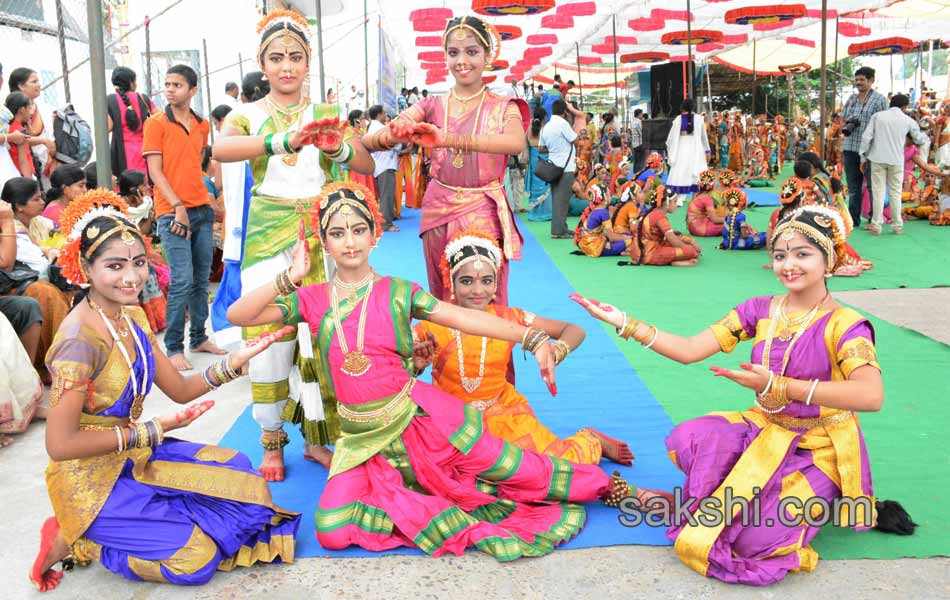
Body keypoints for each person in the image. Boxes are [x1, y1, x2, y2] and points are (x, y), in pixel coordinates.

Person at [227, 180, 651, 560]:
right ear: (323, 240)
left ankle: (607, 488)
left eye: (358, 230)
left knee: (514, 467)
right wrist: (290, 276)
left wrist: (533, 338)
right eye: (337, 233)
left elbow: (464, 317)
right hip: (361, 443)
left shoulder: (399, 293)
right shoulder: (312, 298)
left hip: (422, 422)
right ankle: (425, 507)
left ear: (376, 235)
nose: (350, 242)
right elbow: (239, 314)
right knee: (332, 532)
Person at [572, 203, 916, 585]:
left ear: (829, 260)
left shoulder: (847, 325)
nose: (789, 265)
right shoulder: (760, 310)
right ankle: (706, 502)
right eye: (781, 254)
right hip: (766, 429)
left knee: (753, 540)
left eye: (803, 254)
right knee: (693, 438)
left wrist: (779, 386)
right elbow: (690, 349)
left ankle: (827, 496)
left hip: (820, 446)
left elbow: (871, 396)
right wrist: (623, 322)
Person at [29, 189, 300, 592]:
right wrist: (153, 430)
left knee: (243, 478)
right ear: (85, 268)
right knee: (196, 560)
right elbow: (60, 444)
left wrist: (236, 361)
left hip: (133, 457)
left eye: (138, 263)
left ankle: (139, 519)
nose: (131, 277)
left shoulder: (131, 314)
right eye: (115, 266)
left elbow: (181, 389)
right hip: (88, 480)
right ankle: (80, 538)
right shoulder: (78, 341)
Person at [212, 9, 375, 479]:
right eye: (277, 58)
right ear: (263, 64)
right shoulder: (246, 114)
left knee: (326, 335)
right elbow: (221, 151)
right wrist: (281, 139)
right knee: (270, 339)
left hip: (324, 228)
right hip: (269, 232)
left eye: (296, 57)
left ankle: (318, 437)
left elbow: (363, 162)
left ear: (308, 62)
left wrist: (334, 148)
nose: (287, 66)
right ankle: (271, 441)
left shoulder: (325, 114)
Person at [411, 230, 632, 464]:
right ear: (451, 283)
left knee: (547, 468)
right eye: (467, 281)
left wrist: (558, 350)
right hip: (450, 421)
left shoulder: (510, 319)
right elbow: (391, 367)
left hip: (504, 414)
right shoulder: (432, 324)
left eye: (486, 281)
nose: (478, 291)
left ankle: (589, 441)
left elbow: (574, 330)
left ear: (496, 285)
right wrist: (415, 366)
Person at [370, 15, 528, 304]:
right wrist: (398, 127)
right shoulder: (433, 103)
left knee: (482, 294)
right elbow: (403, 121)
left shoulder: (503, 106)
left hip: (483, 205)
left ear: (487, 55)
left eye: (472, 52)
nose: (462, 61)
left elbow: (516, 143)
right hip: (438, 206)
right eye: (453, 53)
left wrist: (447, 139)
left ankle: (487, 350)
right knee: (443, 293)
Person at [143, 64, 224, 373]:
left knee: (201, 280)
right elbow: (155, 172)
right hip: (172, 212)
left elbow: (195, 166)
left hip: (201, 210)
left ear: (193, 90)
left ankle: (199, 337)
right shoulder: (156, 123)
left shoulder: (202, 125)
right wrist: (177, 205)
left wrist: (210, 200)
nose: (170, 89)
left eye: (177, 84)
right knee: (181, 280)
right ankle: (174, 347)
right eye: (167, 84)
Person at [2, 177, 71, 379]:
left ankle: (73, 359)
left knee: (70, 285)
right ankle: (51, 367)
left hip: (27, 278)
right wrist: (6, 222)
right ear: (18, 207)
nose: (43, 202)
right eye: (36, 199)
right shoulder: (10, 225)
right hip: (13, 284)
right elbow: (7, 262)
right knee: (43, 292)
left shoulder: (40, 222)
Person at [859, 93, 929, 235]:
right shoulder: (907, 120)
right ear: (904, 106)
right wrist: (926, 136)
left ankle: (876, 226)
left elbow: (866, 137)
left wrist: (863, 157)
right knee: (895, 193)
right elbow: (919, 139)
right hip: (896, 159)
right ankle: (897, 226)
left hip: (877, 158)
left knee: (878, 192)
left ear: (891, 102)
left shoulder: (878, 117)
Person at [842, 66, 888, 227]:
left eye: (862, 80)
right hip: (849, 147)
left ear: (871, 80)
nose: (858, 83)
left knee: (872, 186)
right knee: (853, 188)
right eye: (857, 80)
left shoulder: (880, 99)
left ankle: (874, 219)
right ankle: (853, 220)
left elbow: (883, 123)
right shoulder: (851, 99)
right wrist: (851, 120)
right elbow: (844, 118)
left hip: (870, 150)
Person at [626, 184, 700, 266]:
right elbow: (673, 240)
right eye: (675, 201)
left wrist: (690, 241)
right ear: (666, 203)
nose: (676, 205)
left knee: (682, 243)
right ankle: (673, 262)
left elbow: (672, 237)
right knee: (691, 252)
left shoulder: (654, 212)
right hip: (649, 254)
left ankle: (673, 260)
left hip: (643, 250)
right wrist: (689, 248)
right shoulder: (659, 217)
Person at [7, 68, 56, 179]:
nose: (39, 85)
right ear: (21, 86)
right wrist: (44, 141)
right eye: (34, 82)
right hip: (26, 172)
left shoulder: (44, 107)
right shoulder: (11, 118)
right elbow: (23, 158)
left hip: (45, 164)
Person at [107, 67, 157, 177]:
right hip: (145, 151)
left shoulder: (110, 100)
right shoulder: (143, 98)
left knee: (127, 186)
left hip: (122, 155)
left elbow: (108, 127)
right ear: (131, 83)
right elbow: (159, 120)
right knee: (145, 185)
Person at [539, 100, 577, 239]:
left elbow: (542, 149)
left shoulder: (547, 126)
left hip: (552, 167)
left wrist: (555, 149)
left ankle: (560, 228)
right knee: (563, 199)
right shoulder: (563, 124)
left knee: (557, 198)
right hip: (565, 167)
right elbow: (575, 140)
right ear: (564, 112)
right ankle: (559, 231)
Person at [666, 99, 710, 206]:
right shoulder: (700, 119)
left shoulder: (678, 119)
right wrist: (707, 150)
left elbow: (671, 137)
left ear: (682, 107)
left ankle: (680, 198)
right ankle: (696, 198)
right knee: (695, 170)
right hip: (696, 148)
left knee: (681, 170)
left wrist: (669, 149)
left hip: (681, 147)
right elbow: (704, 137)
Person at [575, 179, 628, 257]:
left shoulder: (594, 209)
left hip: (586, 244)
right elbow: (611, 237)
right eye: (609, 194)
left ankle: (623, 250)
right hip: (595, 247)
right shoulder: (603, 212)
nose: (611, 196)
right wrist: (626, 238)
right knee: (631, 241)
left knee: (625, 234)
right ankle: (624, 251)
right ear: (605, 197)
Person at [367, 105, 399, 232]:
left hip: (381, 165)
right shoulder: (381, 129)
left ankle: (385, 221)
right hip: (385, 165)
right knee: (387, 195)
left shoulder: (372, 127)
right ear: (379, 114)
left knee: (385, 195)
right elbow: (394, 145)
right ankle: (386, 224)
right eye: (384, 113)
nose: (385, 115)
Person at [524, 106, 551, 221]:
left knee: (536, 186)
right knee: (545, 185)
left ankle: (534, 213)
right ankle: (544, 213)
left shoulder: (530, 127)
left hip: (534, 160)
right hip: (544, 157)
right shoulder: (546, 127)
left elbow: (526, 142)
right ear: (545, 116)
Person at [686, 169, 725, 237]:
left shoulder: (697, 195)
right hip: (700, 229)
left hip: (691, 228)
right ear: (713, 185)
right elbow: (715, 219)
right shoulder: (707, 198)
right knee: (731, 226)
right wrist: (728, 219)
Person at [5, 91, 36, 178]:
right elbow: (23, 161)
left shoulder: (9, 127)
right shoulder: (19, 131)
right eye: (29, 108)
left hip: (14, 173)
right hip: (24, 174)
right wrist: (31, 185)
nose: (31, 112)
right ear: (22, 110)